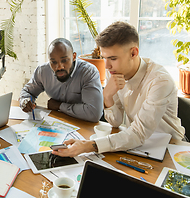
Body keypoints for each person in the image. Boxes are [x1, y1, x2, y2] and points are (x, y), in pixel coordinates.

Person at [52, 21, 185, 158]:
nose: (107, 66)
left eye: (113, 58)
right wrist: (107, 97)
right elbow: (115, 121)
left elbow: (138, 133)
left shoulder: (160, 81)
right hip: (137, 146)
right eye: (104, 58)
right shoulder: (114, 71)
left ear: (133, 53)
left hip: (171, 149)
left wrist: (88, 145)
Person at [19, 38, 103, 122]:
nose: (59, 67)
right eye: (53, 62)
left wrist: (59, 106)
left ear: (74, 57)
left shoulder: (88, 72)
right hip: (57, 123)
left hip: (83, 124)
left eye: (64, 60)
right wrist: (25, 100)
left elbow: (94, 113)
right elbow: (27, 92)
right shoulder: (43, 71)